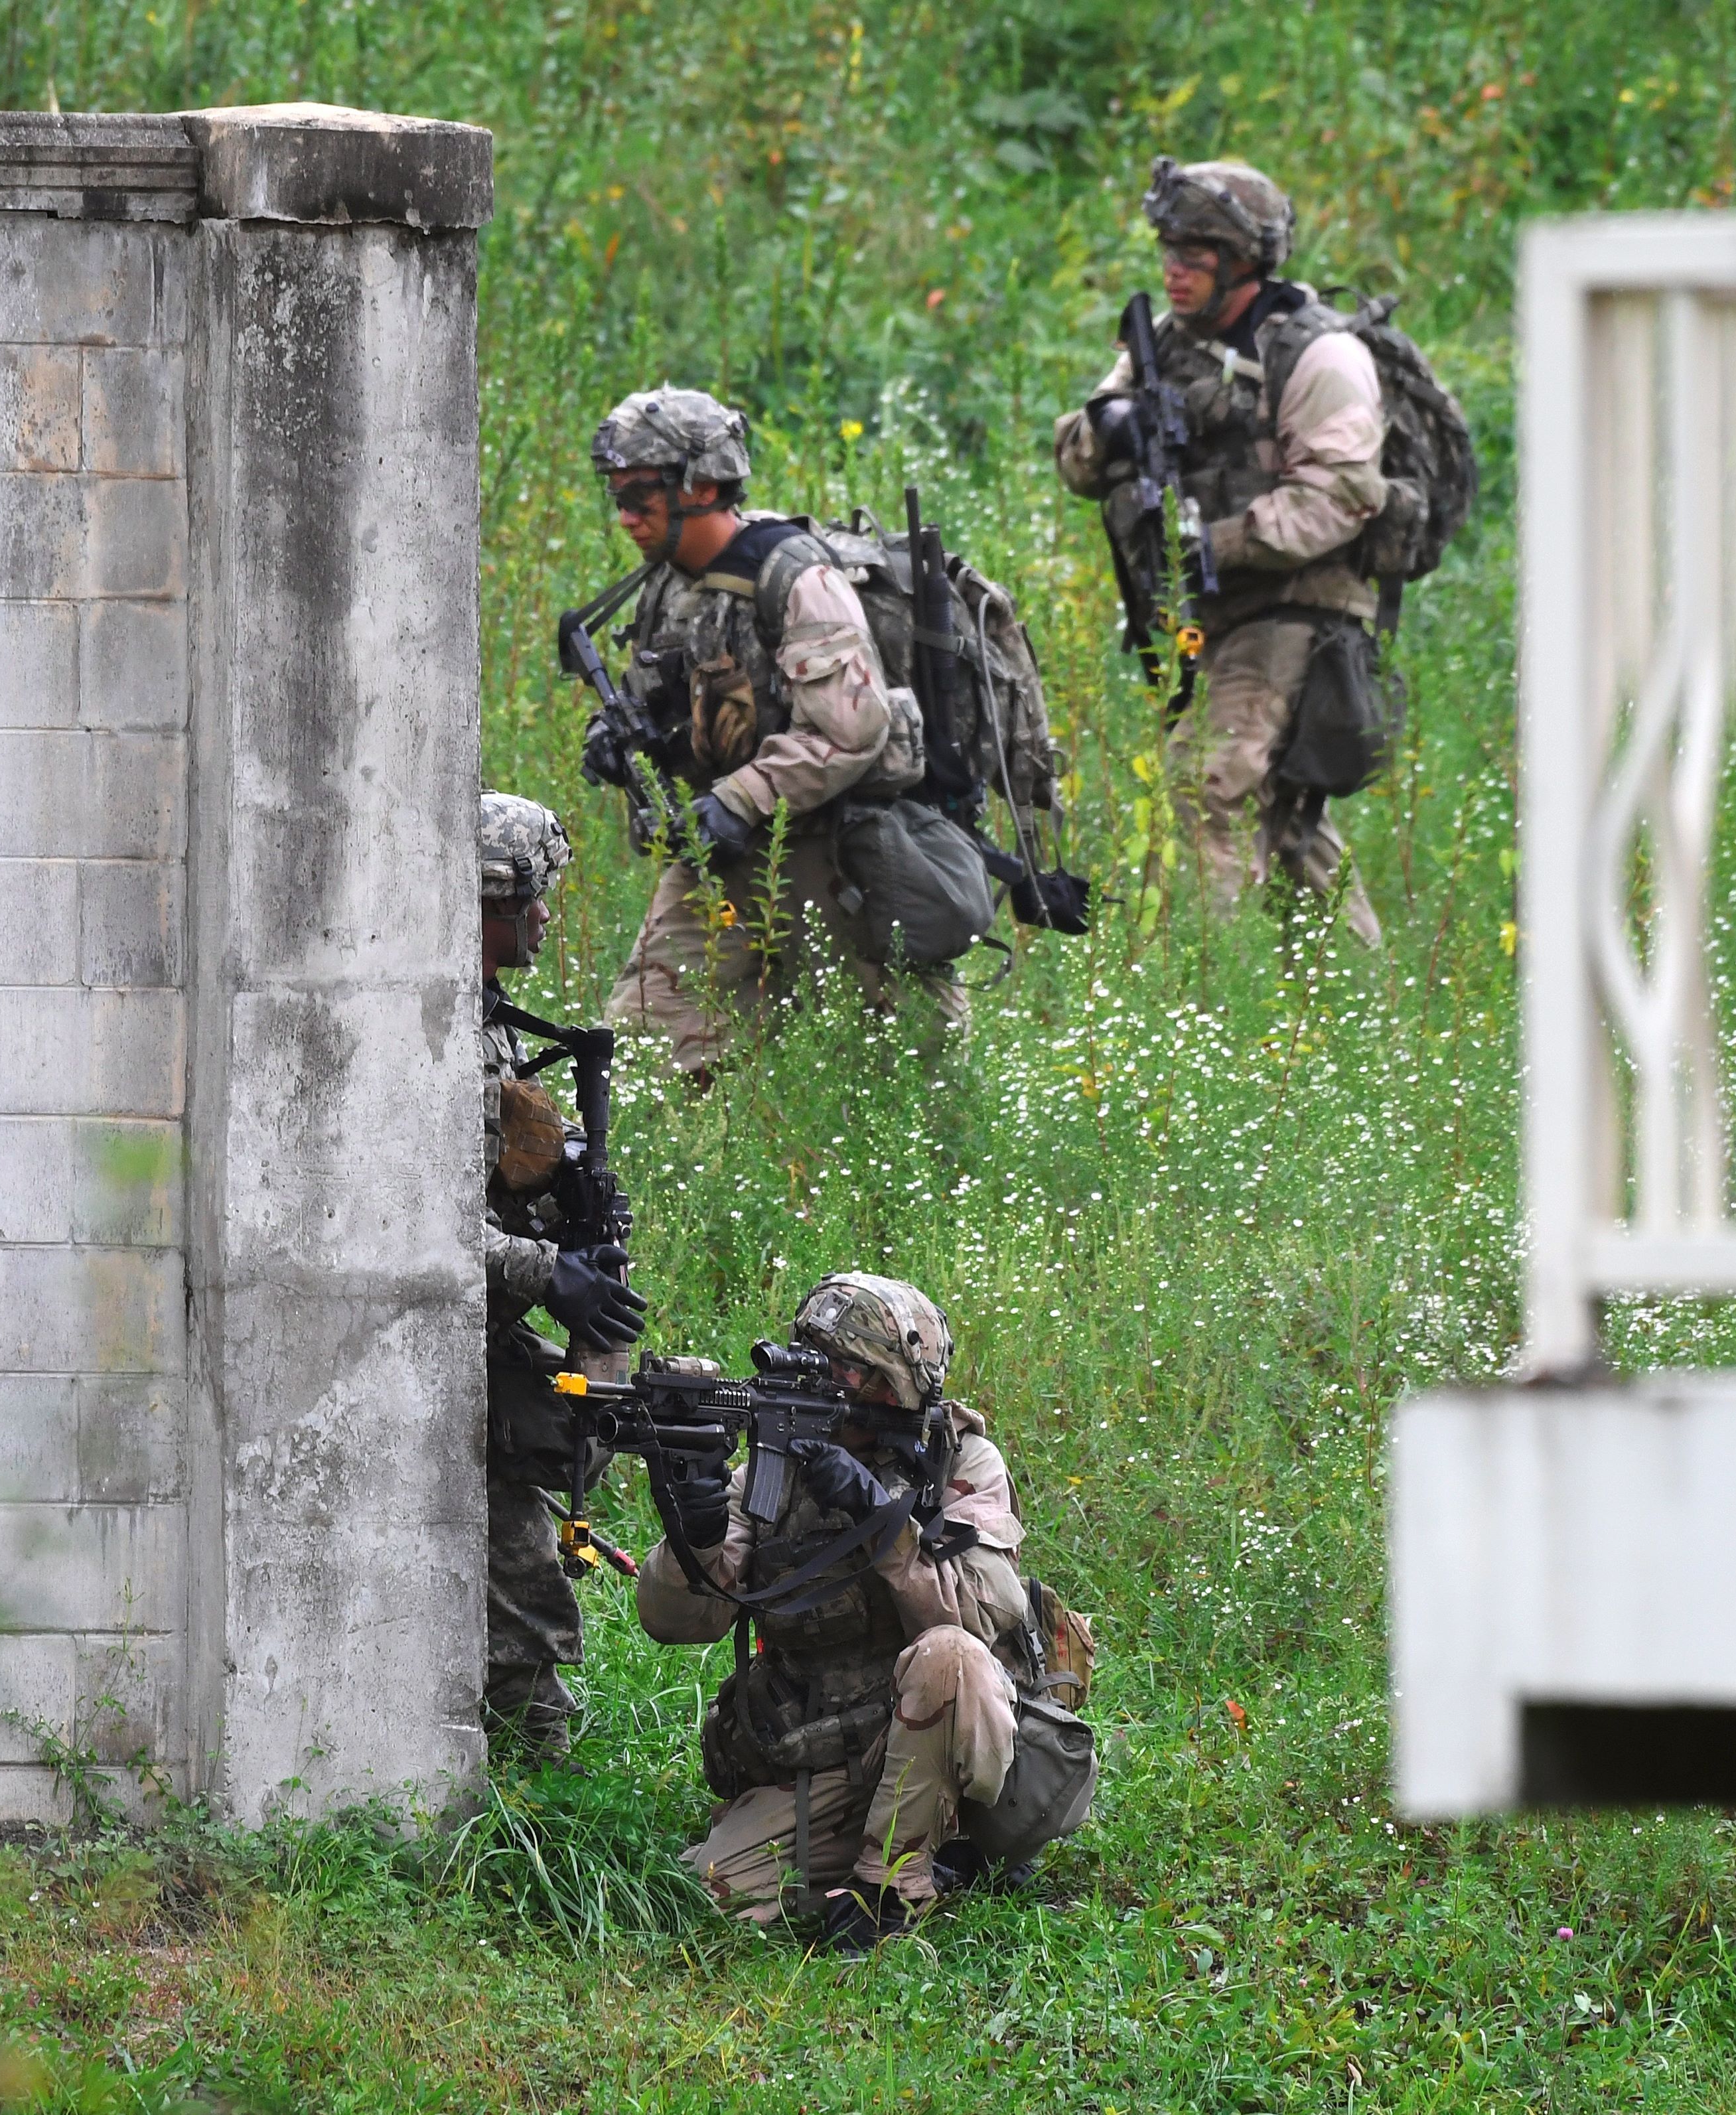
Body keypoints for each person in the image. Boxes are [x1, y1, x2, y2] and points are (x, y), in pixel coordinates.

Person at [634, 1273, 1062, 1948]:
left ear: (896, 1385)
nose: (827, 1384)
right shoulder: (776, 1469)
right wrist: (697, 1531)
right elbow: (678, 1622)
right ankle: (918, 1850)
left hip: (946, 1741)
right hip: (835, 1745)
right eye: (813, 1360)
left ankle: (895, 1885)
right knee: (706, 1894)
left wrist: (882, 1521)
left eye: (847, 1372)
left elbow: (982, 1614)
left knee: (951, 1656)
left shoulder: (960, 1461)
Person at [579, 387, 968, 1080]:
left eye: (641, 495)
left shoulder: (795, 579)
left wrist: (739, 798)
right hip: (725, 854)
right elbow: (659, 694)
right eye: (618, 499)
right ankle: (667, 1179)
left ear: (700, 486)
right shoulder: (668, 584)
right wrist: (612, 738)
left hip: (833, 850)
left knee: (911, 1069)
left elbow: (853, 729)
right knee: (644, 1044)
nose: (627, 517)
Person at [1053, 157, 1388, 946]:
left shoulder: (1318, 356)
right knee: (1286, 812)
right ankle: (1359, 1001)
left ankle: (1214, 993)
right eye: (1167, 250)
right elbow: (1073, 461)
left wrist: (1217, 541)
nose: (1173, 269)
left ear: (1242, 258)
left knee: (1207, 780)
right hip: (1208, 611)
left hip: (1298, 606)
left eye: (1193, 254)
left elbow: (1343, 495)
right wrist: (1107, 430)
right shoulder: (1162, 347)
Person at [476, 791, 646, 1759]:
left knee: (583, 1431)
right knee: (522, 1563)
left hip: (489, 1324)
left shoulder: (491, 1022)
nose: (544, 914)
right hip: (441, 1338)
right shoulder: (440, 1035)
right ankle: (528, 1769)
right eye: (530, 897)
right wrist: (549, 1271)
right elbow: (408, 1232)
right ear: (486, 903)